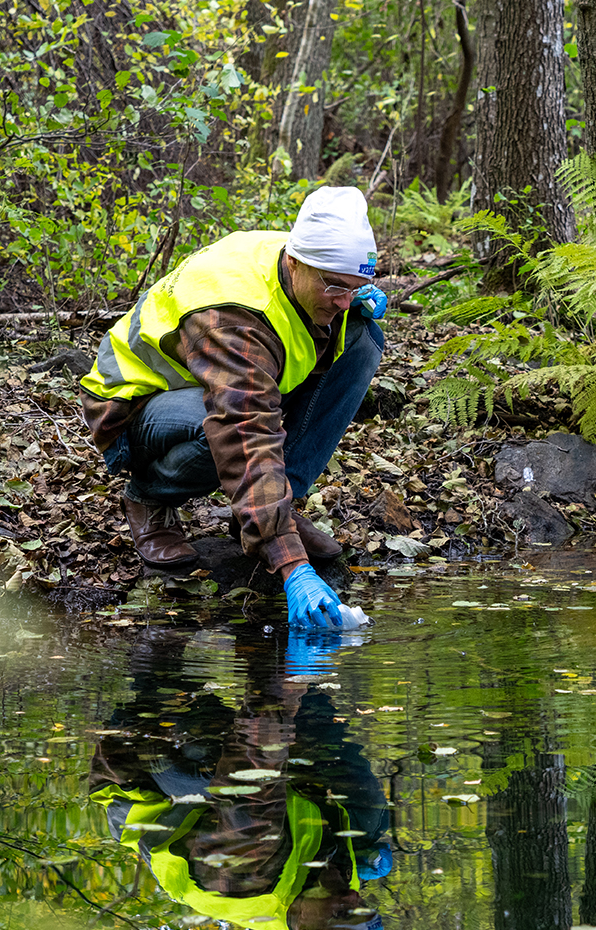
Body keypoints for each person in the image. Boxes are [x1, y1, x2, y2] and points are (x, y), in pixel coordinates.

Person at [79, 186, 388, 631]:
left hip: (208, 391)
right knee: (218, 430)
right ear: (296, 263)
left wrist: (347, 300)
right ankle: (147, 497)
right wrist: (290, 565)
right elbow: (244, 429)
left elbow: (327, 311)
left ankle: (279, 503)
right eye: (333, 286)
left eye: (354, 286)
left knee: (361, 337)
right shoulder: (234, 316)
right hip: (135, 409)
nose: (342, 299)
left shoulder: (309, 258)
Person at [88, 633, 394, 930]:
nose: (352, 897)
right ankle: (309, 687)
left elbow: (250, 778)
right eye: (362, 910)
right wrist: (306, 677)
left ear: (303, 926)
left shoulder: (248, 879)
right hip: (238, 801)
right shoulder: (335, 888)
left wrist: (280, 685)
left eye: (342, 913)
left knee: (209, 750)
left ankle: (159, 658)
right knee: (369, 820)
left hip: (145, 776)